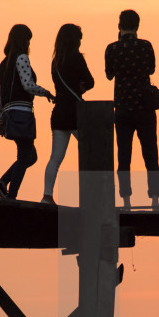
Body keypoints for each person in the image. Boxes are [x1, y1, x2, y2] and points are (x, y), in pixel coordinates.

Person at [0, 25, 55, 200]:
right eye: (28, 39)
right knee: (26, 156)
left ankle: (3, 182)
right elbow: (28, 85)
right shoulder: (22, 58)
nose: (29, 43)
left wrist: (1, 119)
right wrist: (46, 93)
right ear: (22, 40)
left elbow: (1, 95)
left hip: (9, 113)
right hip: (22, 112)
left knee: (29, 156)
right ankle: (11, 195)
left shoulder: (2, 64)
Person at [105, 9, 159, 210]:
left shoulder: (112, 48)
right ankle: (155, 198)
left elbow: (109, 74)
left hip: (122, 108)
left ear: (119, 25)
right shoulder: (145, 46)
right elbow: (152, 69)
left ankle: (126, 200)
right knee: (150, 153)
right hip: (145, 107)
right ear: (138, 26)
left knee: (124, 155)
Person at [42, 23, 94, 205]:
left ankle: (46, 195)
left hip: (59, 113)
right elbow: (90, 81)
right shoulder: (77, 58)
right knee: (92, 150)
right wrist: (81, 87)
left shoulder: (55, 62)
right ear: (74, 39)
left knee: (55, 158)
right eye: (79, 37)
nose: (81, 41)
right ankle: (91, 195)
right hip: (76, 113)